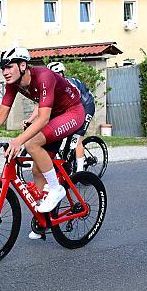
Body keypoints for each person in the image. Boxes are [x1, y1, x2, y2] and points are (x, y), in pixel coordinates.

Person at [0, 46, 86, 215]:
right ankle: (44, 220)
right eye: (2, 68)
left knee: (32, 144)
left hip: (72, 112)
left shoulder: (44, 77)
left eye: (8, 67)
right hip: (54, 116)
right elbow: (2, 113)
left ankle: (55, 189)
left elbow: (43, 118)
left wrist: (18, 140)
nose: (5, 72)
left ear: (22, 65)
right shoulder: (13, 84)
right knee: (37, 169)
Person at [22, 61, 96, 239]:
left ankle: (79, 170)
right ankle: (43, 219)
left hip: (83, 106)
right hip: (58, 114)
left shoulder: (64, 82)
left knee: (76, 139)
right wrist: (31, 120)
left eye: (59, 73)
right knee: (37, 167)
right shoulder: (43, 85)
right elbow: (40, 107)